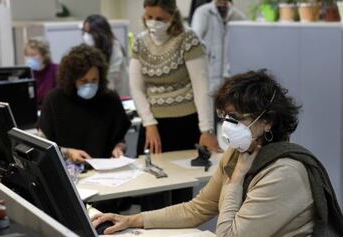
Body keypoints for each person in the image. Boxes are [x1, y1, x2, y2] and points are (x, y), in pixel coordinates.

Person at [92, 70, 343, 236]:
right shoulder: (238, 153)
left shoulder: (284, 172)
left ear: (268, 121)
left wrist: (234, 181)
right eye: (224, 117)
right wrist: (133, 220)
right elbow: (197, 209)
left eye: (235, 118)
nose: (228, 126)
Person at [131, 0, 220, 156]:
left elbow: (201, 87)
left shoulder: (187, 39)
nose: (153, 23)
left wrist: (206, 129)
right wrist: (149, 123)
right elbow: (136, 88)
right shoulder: (140, 42)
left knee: (187, 174)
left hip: (186, 122)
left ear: (172, 16)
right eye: (149, 16)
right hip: (153, 125)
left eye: (160, 19)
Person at [38, 44, 130, 163]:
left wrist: (119, 148)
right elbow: (42, 144)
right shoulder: (54, 100)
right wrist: (69, 152)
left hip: (105, 171)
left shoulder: (110, 99)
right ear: (72, 79)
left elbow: (120, 139)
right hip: (68, 171)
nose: (89, 85)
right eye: (84, 81)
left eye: (94, 80)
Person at [191, 0, 246, 92]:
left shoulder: (238, 16)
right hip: (208, 73)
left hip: (231, 75)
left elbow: (244, 47)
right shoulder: (202, 13)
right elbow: (194, 43)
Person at [82, 14, 129, 96]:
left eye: (89, 32)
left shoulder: (114, 48)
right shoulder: (88, 50)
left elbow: (110, 79)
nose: (86, 36)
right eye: (85, 32)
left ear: (100, 33)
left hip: (117, 94)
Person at [24, 37, 58, 107]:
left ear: (44, 55)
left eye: (33, 55)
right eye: (27, 55)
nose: (29, 58)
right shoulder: (26, 74)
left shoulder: (56, 70)